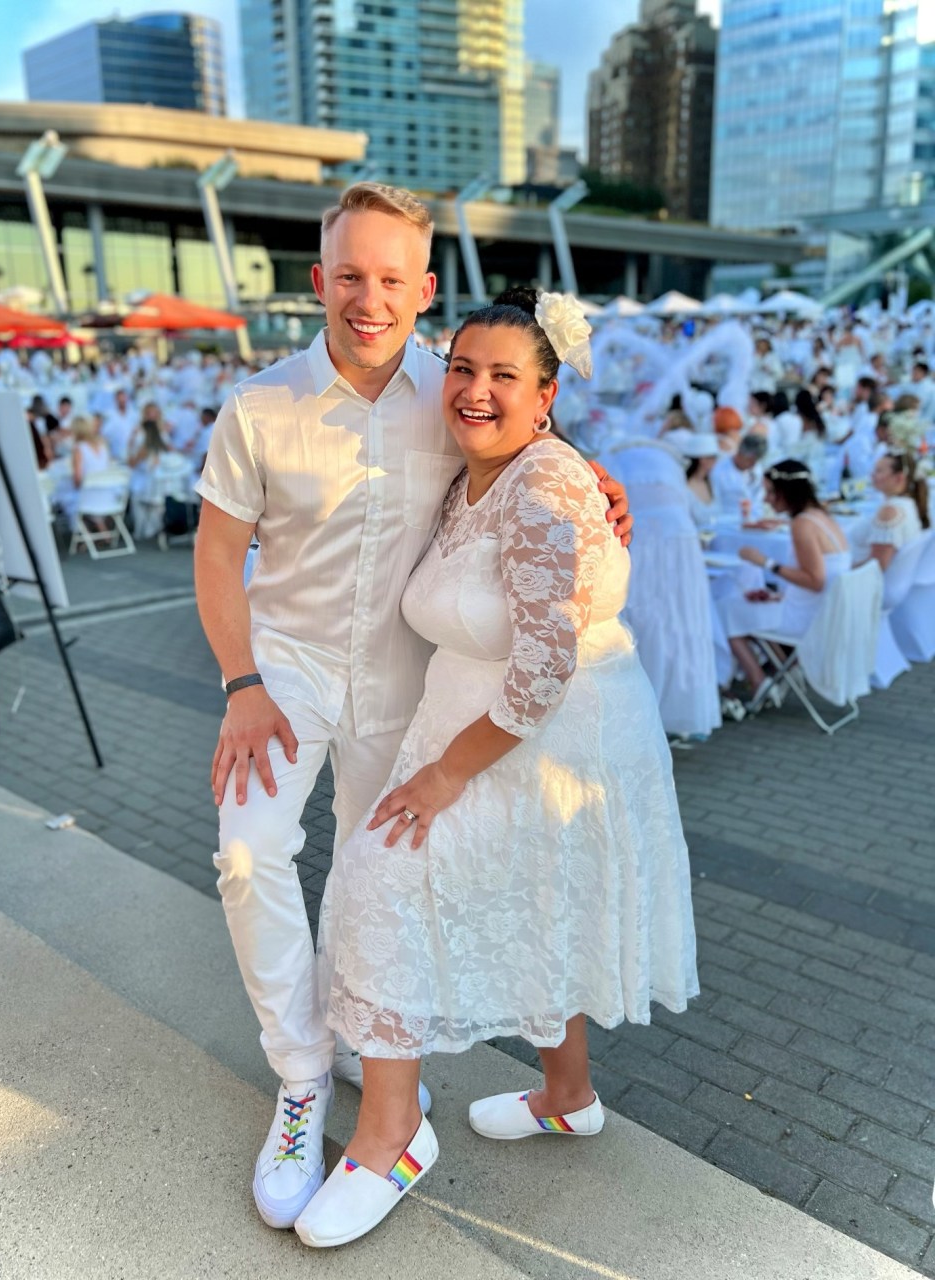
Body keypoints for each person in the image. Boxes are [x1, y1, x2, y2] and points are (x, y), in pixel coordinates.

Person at [191, 183, 633, 1234]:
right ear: (319, 280)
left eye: (392, 278)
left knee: (363, 872)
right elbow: (216, 553)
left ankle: (365, 1053)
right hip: (288, 666)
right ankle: (303, 1075)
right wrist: (240, 682)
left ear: (424, 287)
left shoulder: (454, 386)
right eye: (350, 274)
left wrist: (588, 470)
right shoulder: (260, 407)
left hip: (404, 671)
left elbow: (524, 446)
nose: (369, 297)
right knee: (249, 852)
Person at [295, 290, 698, 1248]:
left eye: (503, 376)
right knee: (537, 900)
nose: (475, 391)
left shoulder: (547, 478)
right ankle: (569, 1097)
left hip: (549, 733)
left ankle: (392, 1137)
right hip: (475, 723)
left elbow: (546, 664)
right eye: (464, 371)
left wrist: (440, 777)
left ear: (547, 394)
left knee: (379, 879)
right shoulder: (477, 470)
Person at [722, 460, 850, 711]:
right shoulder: (822, 515)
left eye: (770, 492)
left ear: (787, 492)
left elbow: (815, 581)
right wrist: (778, 595)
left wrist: (765, 562)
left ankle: (760, 683)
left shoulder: (803, 524)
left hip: (810, 618)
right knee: (750, 604)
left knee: (727, 611)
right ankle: (787, 670)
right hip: (823, 609)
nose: (767, 499)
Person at [856, 451, 929, 572]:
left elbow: (877, 565)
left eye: (879, 471)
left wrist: (840, 574)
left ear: (899, 477)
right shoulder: (908, 503)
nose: (872, 475)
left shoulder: (890, 512)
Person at [711, 432, 766, 517]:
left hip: (754, 519)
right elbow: (715, 503)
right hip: (726, 519)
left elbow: (758, 499)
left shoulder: (757, 469)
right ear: (740, 453)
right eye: (750, 459)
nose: (753, 464)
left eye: (756, 460)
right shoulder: (719, 471)